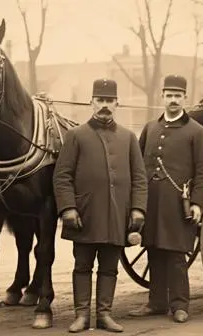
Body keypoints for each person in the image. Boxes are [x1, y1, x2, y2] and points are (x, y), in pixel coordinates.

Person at [53, 78, 147, 333]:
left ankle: (104, 315)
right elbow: (62, 176)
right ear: (91, 102)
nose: (104, 105)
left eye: (109, 101)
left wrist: (138, 209)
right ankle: (81, 316)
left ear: (117, 103)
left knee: (109, 268)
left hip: (118, 215)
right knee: (82, 266)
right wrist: (68, 208)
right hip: (84, 215)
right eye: (100, 100)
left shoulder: (128, 138)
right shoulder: (76, 136)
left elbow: (140, 178)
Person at [129, 75, 203, 323]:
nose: (173, 100)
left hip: (179, 203)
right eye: (169, 95)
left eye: (178, 96)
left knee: (176, 254)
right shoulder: (150, 128)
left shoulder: (196, 132)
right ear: (162, 97)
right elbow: (137, 165)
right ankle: (156, 303)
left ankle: (180, 305)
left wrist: (198, 202)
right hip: (151, 202)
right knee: (153, 249)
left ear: (185, 98)